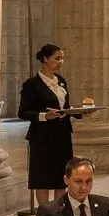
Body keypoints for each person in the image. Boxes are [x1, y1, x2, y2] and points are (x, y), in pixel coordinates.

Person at [17, 44, 72, 207]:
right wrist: (43, 116)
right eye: (57, 58)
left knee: (60, 177)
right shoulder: (32, 84)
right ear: (45, 59)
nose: (60, 62)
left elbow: (65, 108)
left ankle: (57, 212)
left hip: (62, 135)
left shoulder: (61, 81)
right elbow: (23, 112)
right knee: (43, 177)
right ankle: (44, 213)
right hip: (42, 136)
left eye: (62, 58)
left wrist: (80, 113)